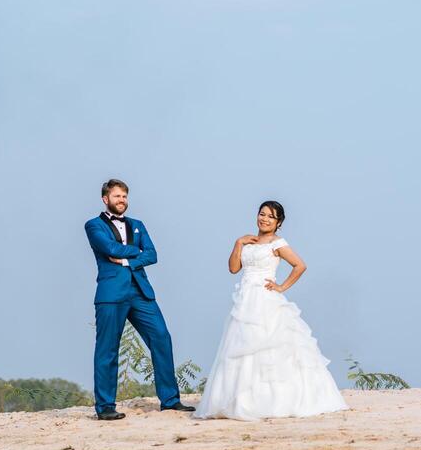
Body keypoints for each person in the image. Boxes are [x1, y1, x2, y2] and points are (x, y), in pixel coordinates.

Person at [195, 200, 347, 420]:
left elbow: (300, 265)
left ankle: (273, 400)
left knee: (268, 347)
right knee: (241, 346)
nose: (264, 219)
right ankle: (241, 400)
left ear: (278, 223)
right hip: (244, 300)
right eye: (262, 214)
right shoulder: (248, 241)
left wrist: (281, 287)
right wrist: (238, 243)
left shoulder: (277, 243)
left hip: (265, 299)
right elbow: (233, 268)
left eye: (270, 216)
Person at [85, 179, 195, 420]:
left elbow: (152, 254)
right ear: (106, 199)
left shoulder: (137, 224)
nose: (121, 201)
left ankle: (170, 400)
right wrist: (136, 251)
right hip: (111, 294)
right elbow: (109, 248)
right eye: (117, 197)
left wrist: (128, 260)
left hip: (140, 292)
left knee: (161, 337)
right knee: (107, 349)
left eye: (124, 196)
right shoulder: (93, 225)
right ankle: (105, 407)